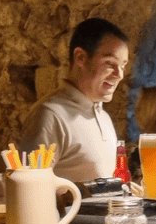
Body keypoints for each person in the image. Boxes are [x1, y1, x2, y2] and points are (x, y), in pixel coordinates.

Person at [17, 18, 130, 183]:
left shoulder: (103, 116)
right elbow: (29, 188)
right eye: (110, 63)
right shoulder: (50, 116)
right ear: (80, 57)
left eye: (123, 66)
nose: (119, 75)